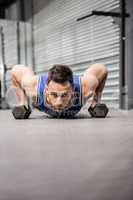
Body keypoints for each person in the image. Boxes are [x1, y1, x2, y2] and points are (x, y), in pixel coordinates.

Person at [11, 63, 108, 118]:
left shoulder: (86, 88)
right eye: (54, 95)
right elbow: (15, 70)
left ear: (73, 91)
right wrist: (22, 102)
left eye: (65, 95)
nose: (59, 102)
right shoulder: (33, 88)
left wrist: (96, 101)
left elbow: (102, 69)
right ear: (46, 90)